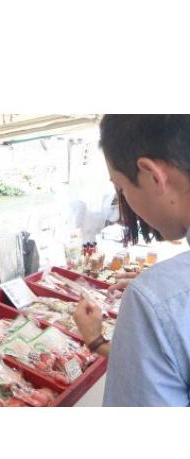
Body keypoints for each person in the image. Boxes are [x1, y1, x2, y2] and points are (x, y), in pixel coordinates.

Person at [73, 115, 190, 406]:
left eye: (121, 188)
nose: (126, 201)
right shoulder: (163, 295)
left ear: (152, 176)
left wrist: (156, 294)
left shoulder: (153, 298)